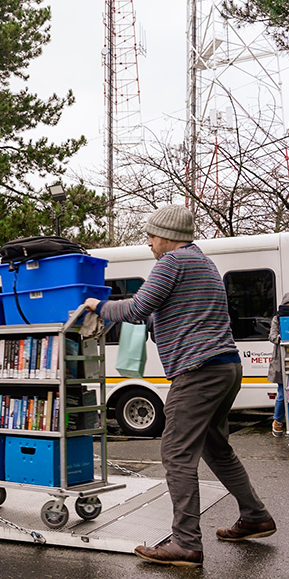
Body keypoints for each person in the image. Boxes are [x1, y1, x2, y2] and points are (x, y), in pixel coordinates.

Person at [83, 204, 275, 568]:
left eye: (152, 236)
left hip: (198, 371)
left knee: (175, 453)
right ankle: (255, 517)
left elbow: (136, 308)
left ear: (168, 236)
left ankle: (185, 543)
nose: (149, 244)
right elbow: (173, 314)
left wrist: (97, 305)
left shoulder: (170, 263)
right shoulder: (203, 263)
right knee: (216, 450)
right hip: (226, 367)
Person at [268, 293, 289, 436]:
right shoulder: (277, 319)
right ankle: (277, 421)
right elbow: (271, 336)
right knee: (282, 394)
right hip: (282, 362)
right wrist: (282, 338)